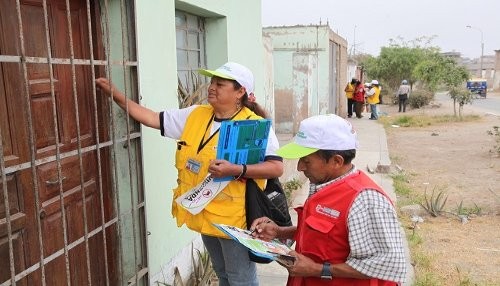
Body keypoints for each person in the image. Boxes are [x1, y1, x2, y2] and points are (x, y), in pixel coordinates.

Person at [96, 62, 284, 286]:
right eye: (212, 82)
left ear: (240, 92)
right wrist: (115, 94)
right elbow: (152, 118)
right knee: (223, 273)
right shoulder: (197, 115)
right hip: (204, 212)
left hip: (236, 219)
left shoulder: (253, 126)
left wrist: (237, 170)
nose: (212, 87)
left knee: (240, 278)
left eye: (220, 84)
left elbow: (276, 167)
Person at [250, 114, 407, 285]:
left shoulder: (365, 200)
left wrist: (318, 270)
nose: (299, 167)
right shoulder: (323, 184)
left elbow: (388, 264)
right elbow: (328, 236)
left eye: (306, 161)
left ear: (336, 161)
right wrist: (280, 231)